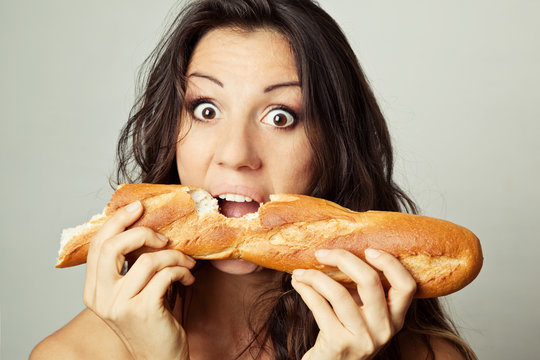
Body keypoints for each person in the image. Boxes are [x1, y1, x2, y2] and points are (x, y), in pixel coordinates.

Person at [31, 0, 478, 359]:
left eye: (280, 116)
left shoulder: (426, 355)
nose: (235, 154)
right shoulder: (70, 354)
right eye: (206, 109)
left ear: (335, 145)